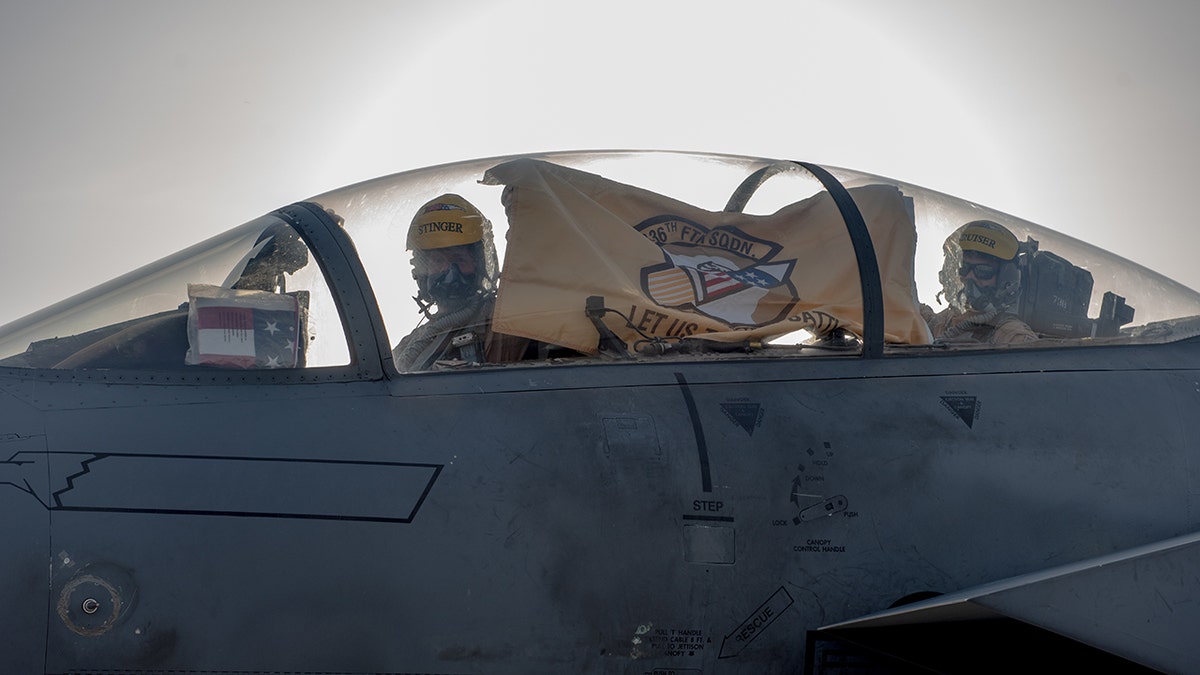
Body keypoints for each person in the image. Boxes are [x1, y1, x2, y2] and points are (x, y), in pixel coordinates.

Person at [392, 194, 502, 370]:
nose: (449, 271)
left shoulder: (499, 321)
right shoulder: (415, 340)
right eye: (438, 261)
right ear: (423, 270)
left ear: (479, 265)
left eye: (459, 259)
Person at [925, 220, 1038, 344]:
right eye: (964, 267)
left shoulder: (1012, 336)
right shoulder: (948, 319)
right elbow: (911, 313)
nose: (969, 276)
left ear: (1005, 278)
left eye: (983, 270)